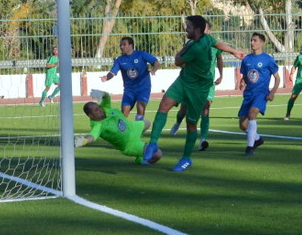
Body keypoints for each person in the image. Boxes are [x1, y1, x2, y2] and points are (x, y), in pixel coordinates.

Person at [142, 15, 244, 172]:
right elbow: (218, 44)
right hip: (183, 81)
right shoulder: (207, 39)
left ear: (196, 30)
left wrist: (184, 48)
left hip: (198, 89)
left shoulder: (195, 48)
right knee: (164, 106)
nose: (186, 29)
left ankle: (186, 158)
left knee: (191, 124)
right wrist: (234, 51)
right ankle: (153, 143)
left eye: (188, 27)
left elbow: (177, 61)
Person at [168, 23, 223, 151]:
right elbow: (182, 59)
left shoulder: (215, 45)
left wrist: (221, 75)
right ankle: (178, 122)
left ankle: (203, 139)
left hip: (207, 83)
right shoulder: (193, 43)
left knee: (206, 108)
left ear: (209, 31)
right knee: (184, 109)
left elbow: (219, 59)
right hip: (192, 82)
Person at [75, 90, 162, 164]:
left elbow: (107, 97)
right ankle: (142, 160)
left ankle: (140, 148)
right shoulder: (98, 125)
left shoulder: (105, 108)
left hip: (132, 127)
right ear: (90, 115)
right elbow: (92, 136)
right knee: (157, 154)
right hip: (130, 144)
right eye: (96, 110)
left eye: (99, 107)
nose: (100, 110)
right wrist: (85, 140)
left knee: (147, 123)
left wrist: (101, 93)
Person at [237, 33, 280, 156]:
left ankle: (250, 147)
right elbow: (246, 76)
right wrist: (243, 81)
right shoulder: (246, 59)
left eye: (255, 40)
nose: (252, 42)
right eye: (251, 40)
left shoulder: (268, 59)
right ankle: (257, 139)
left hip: (261, 93)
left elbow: (277, 78)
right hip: (248, 94)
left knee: (252, 114)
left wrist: (272, 92)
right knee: (243, 125)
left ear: (262, 43)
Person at [100, 36, 159, 121]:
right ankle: (123, 128)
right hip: (129, 90)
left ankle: (139, 126)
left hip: (143, 88)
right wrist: (106, 77)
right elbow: (112, 72)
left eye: (124, 44)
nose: (121, 47)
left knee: (140, 106)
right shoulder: (120, 60)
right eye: (120, 45)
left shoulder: (141, 54)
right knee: (124, 112)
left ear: (131, 45)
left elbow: (156, 62)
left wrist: (154, 70)